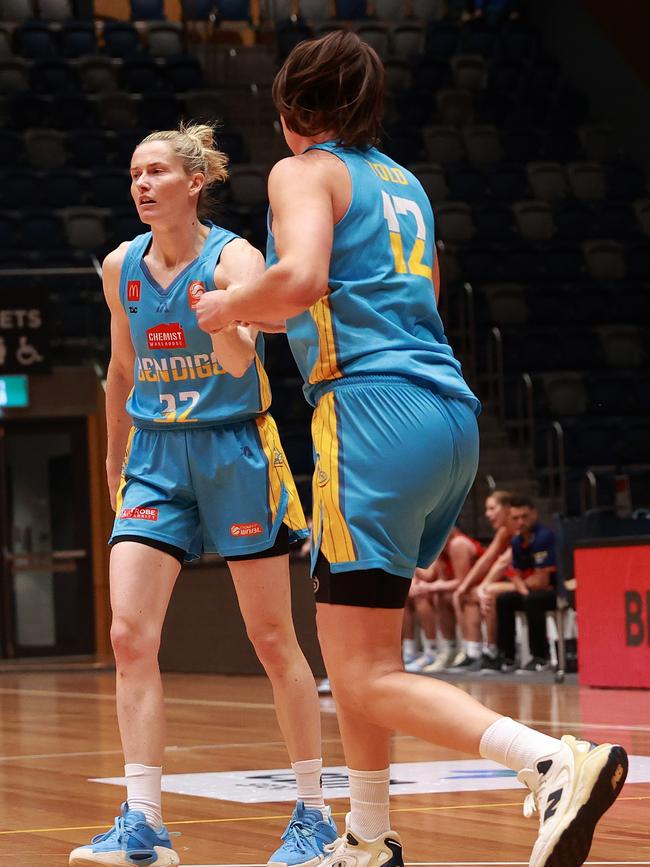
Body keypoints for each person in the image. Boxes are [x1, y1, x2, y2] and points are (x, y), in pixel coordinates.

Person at [195, 32, 628, 867]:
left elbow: (305, 277)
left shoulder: (301, 169)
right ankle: (366, 836)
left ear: (290, 106)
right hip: (447, 417)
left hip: (370, 416)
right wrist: (259, 305)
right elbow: (391, 296)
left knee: (355, 673)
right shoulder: (404, 183)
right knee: (366, 649)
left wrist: (229, 303)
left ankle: (550, 761)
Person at [69, 123, 337, 867]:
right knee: (130, 634)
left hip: (234, 447)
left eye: (155, 172)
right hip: (154, 456)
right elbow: (121, 372)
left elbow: (242, 358)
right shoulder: (121, 266)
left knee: (271, 637)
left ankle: (313, 812)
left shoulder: (238, 257)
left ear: (195, 183)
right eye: (133, 175)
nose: (142, 185)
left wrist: (218, 312)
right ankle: (144, 822)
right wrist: (115, 462)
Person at [451, 490, 516, 672]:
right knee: (470, 594)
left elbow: (502, 563)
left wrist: (484, 586)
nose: (487, 514)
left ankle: (492, 651)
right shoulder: (503, 532)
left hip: (525, 581)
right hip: (510, 581)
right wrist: (462, 588)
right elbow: (487, 559)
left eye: (492, 508)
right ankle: (473, 652)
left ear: (507, 509)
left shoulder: (519, 528)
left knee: (487, 592)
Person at [406, 527, 483, 673]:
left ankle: (470, 651)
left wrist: (429, 586)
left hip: (477, 588)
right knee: (438, 595)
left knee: (459, 596)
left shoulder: (458, 543)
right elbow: (433, 577)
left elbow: (462, 581)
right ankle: (448, 650)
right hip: (464, 588)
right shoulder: (441, 546)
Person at [496, 496, 559, 673]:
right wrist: (523, 585)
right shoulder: (516, 542)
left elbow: (542, 581)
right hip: (532, 591)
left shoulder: (544, 537)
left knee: (533, 600)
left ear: (534, 514)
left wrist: (522, 585)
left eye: (524, 516)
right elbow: (514, 575)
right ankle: (507, 657)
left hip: (557, 591)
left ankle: (541, 657)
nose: (521, 522)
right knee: (504, 600)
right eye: (516, 518)